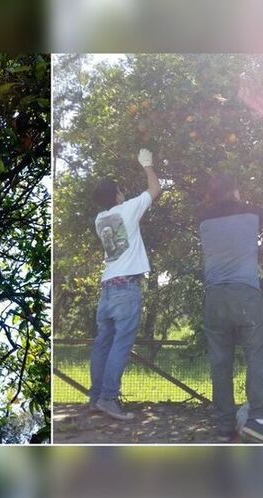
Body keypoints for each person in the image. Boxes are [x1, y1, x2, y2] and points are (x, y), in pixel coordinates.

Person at [197, 174, 263, 443]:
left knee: (220, 362)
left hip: (214, 298)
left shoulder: (204, 219)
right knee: (256, 357)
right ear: (236, 192)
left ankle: (225, 425)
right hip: (246, 295)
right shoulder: (251, 212)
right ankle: (258, 419)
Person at [88, 148, 161, 420]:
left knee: (102, 344)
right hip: (126, 289)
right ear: (117, 195)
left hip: (106, 288)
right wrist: (147, 164)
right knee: (120, 344)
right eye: (118, 190)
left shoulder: (99, 220)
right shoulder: (128, 209)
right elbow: (155, 188)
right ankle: (108, 398)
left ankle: (96, 397)